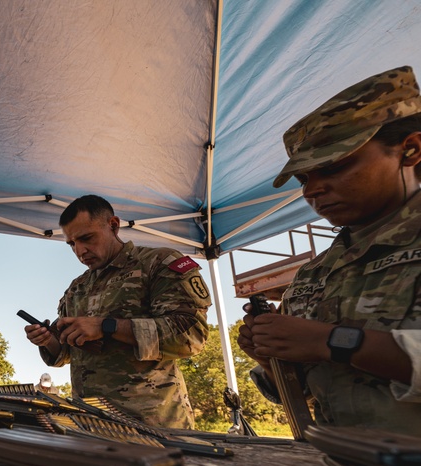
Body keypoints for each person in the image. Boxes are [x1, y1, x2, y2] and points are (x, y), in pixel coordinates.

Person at [238, 66, 421, 435]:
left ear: (411, 149)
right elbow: (307, 389)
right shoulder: (315, 273)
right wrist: (272, 354)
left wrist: (328, 340)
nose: (311, 190)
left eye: (335, 166)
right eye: (305, 178)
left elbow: (325, 346)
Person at [24, 195, 211, 429]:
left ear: (113, 225)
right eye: (72, 244)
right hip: (90, 423)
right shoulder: (77, 287)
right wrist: (48, 341)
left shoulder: (158, 263)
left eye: (86, 238)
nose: (80, 250)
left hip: (154, 425)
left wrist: (106, 327)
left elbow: (191, 336)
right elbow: (69, 354)